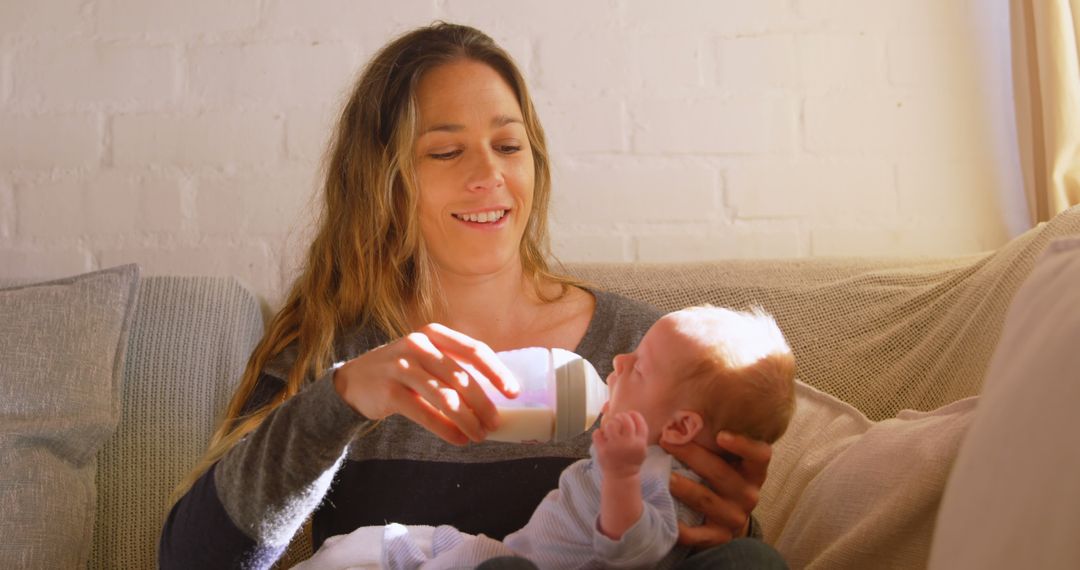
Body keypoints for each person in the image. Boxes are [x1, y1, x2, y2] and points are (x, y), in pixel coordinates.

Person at [158, 22, 780, 569]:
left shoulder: (647, 350)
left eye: (509, 146)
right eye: (446, 151)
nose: (490, 175)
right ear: (383, 182)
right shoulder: (331, 350)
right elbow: (192, 561)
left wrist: (724, 522)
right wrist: (345, 398)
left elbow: (698, 541)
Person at [299, 306, 795, 569]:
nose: (619, 362)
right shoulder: (324, 340)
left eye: (508, 146)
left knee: (752, 561)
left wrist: (732, 529)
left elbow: (643, 545)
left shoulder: (656, 418)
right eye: (446, 151)